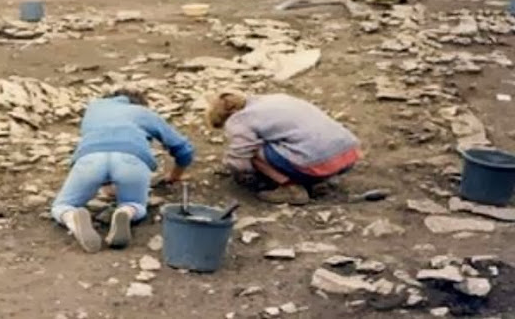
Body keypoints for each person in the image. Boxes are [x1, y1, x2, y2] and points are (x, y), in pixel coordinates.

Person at [51, 89, 195, 253]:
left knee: (63, 205)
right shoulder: (144, 113)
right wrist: (175, 175)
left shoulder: (95, 108)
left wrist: (105, 182)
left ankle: (71, 218)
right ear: (140, 104)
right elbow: (183, 149)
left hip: (91, 157)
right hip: (132, 159)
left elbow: (105, 141)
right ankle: (125, 212)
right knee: (135, 204)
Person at [206, 92, 360, 205]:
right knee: (297, 141)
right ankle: (318, 182)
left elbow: (240, 155)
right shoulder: (275, 98)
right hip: (348, 154)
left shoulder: (239, 119)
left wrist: (238, 171)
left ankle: (291, 189)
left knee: (252, 152)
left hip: (313, 164)